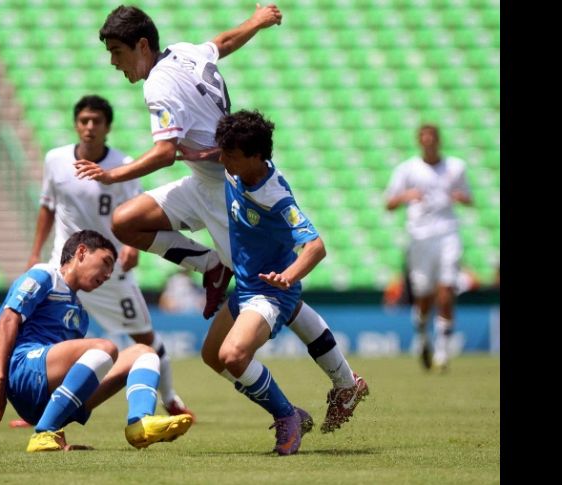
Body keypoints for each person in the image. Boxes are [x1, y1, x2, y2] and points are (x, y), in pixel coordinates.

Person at [75, 4, 283, 320]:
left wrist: (111, 175)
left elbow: (165, 153)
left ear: (142, 45)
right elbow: (222, 43)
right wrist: (256, 21)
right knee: (125, 222)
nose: (114, 62)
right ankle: (210, 265)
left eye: (117, 52)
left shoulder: (157, 86)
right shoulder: (183, 52)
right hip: (202, 182)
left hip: (226, 191)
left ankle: (329, 352)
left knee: (266, 290)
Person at [200, 110, 369, 455]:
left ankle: (286, 415)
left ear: (255, 157)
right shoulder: (237, 170)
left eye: (229, 155)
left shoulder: (275, 197)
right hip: (247, 287)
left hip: (269, 292)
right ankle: (342, 386)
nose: (222, 160)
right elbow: (214, 154)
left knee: (233, 355)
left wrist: (288, 277)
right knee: (211, 356)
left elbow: (316, 246)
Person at [25, 95, 194, 420]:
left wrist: (132, 247)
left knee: (144, 336)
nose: (89, 127)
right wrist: (35, 252)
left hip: (109, 270)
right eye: (84, 121)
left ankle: (170, 397)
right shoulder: (55, 160)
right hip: (66, 268)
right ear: (76, 124)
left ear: (107, 127)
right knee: (50, 339)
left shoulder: (123, 163)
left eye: (96, 121)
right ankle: (38, 407)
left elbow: (136, 210)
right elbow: (47, 206)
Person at [0, 230, 193, 451]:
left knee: (144, 352)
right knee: (105, 348)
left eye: (111, 270)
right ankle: (44, 431)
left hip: (45, 397)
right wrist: (0, 378)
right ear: (82, 252)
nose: (108, 275)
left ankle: (139, 423)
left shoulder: (80, 314)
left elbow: (72, 375)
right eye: (106, 262)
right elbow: (8, 320)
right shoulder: (45, 275)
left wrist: (62, 444)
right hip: (22, 370)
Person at [385, 124, 473, 372]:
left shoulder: (455, 167)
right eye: (425, 139)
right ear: (420, 142)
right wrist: (406, 196)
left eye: (432, 138)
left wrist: (460, 197)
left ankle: (443, 352)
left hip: (448, 233)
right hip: (420, 237)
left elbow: (468, 197)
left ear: (438, 141)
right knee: (423, 295)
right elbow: (389, 203)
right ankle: (423, 335)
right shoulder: (407, 169)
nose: (429, 143)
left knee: (446, 290)